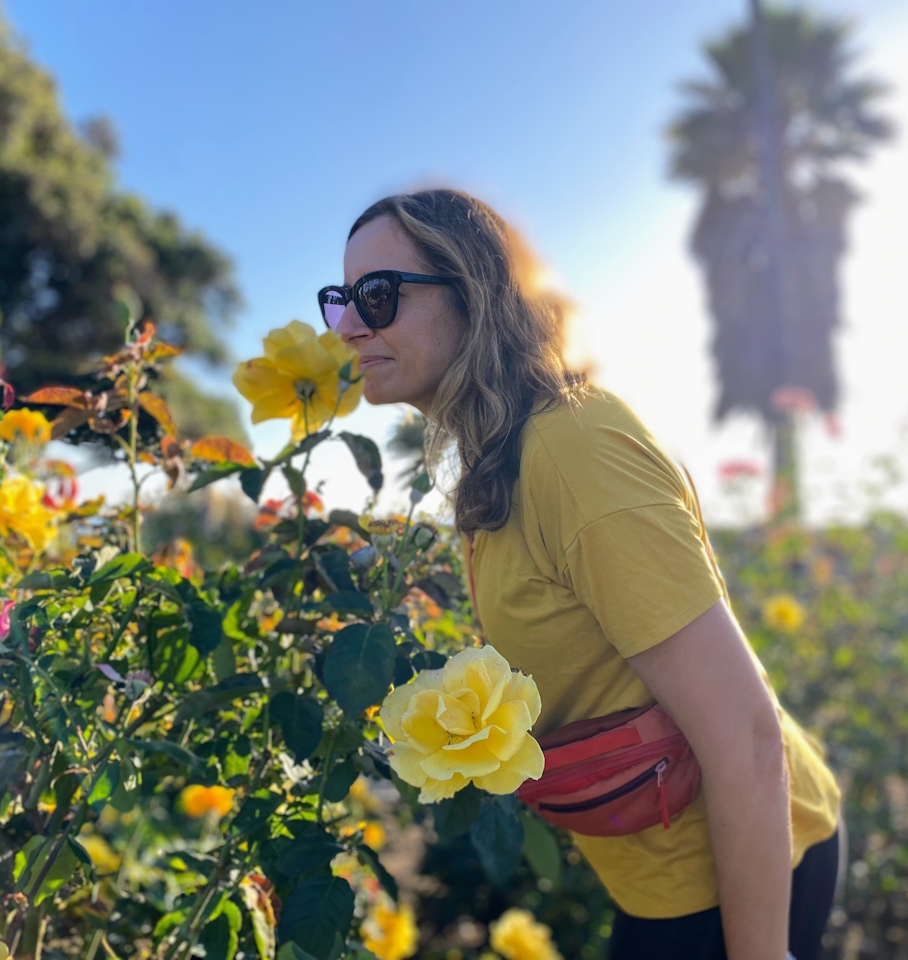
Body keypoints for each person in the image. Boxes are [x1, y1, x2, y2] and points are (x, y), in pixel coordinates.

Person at [319, 188, 841, 960]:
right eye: (340, 301)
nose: (349, 326)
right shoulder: (504, 458)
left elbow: (747, 736)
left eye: (378, 295)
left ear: (473, 294)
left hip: (741, 879)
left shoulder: (573, 449)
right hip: (662, 880)